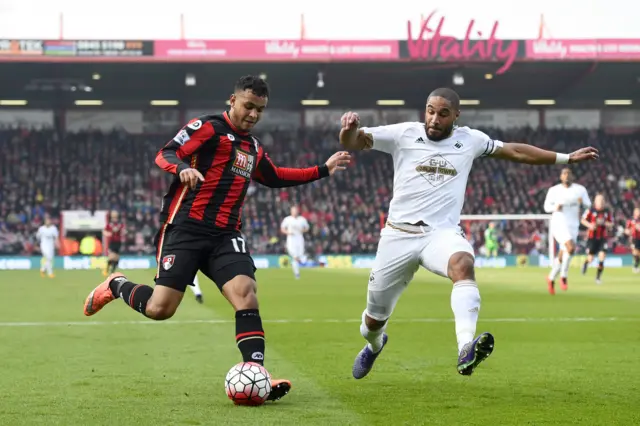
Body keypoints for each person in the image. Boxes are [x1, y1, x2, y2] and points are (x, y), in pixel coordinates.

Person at [83, 75, 351, 402]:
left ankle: (256, 373)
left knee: (245, 293)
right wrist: (181, 168)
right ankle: (116, 285)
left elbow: (276, 176)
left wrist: (322, 169)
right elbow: (166, 153)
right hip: (185, 229)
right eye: (248, 106)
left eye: (260, 110)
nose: (253, 114)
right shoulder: (208, 128)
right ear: (233, 100)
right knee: (160, 308)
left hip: (225, 235)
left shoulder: (252, 147)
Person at [338, 87, 598, 379]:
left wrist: (566, 159)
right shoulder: (404, 134)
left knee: (463, 264)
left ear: (456, 116)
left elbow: (514, 151)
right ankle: (374, 346)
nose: (434, 119)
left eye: (443, 113)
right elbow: (355, 141)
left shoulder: (470, 140)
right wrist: (349, 129)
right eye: (430, 111)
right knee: (373, 321)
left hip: (441, 234)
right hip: (398, 235)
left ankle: (465, 348)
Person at [544, 168, 591, 294]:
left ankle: (551, 278)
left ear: (573, 176)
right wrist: (555, 207)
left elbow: (588, 205)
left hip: (573, 225)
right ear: (560, 177)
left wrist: (582, 204)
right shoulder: (554, 190)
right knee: (570, 248)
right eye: (564, 173)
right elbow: (546, 207)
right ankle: (564, 276)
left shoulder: (580, 190)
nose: (567, 176)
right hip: (558, 224)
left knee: (563, 252)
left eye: (569, 173)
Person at [580, 194, 613, 284]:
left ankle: (598, 278)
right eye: (599, 200)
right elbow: (582, 220)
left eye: (602, 200)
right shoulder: (590, 210)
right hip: (592, 237)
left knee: (602, 257)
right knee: (590, 258)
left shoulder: (607, 212)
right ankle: (586, 263)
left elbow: (611, 223)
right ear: (595, 202)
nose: (601, 202)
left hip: (602, 238)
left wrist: (606, 224)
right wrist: (590, 225)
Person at [280, 205, 310, 279]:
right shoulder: (287, 219)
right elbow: (282, 228)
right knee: (295, 256)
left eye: (295, 210)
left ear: (298, 211)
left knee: (299, 256)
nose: (294, 212)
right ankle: (297, 274)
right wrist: (288, 232)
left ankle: (300, 268)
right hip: (291, 240)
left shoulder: (302, 219)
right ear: (291, 211)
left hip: (299, 239)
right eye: (293, 211)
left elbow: (307, 228)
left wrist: (303, 230)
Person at [103, 211, 125, 276]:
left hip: (118, 242)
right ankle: (106, 269)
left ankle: (112, 272)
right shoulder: (109, 224)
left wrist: (123, 232)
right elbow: (104, 231)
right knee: (112, 256)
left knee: (117, 258)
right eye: (113, 216)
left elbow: (123, 231)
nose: (114, 217)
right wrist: (108, 234)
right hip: (112, 242)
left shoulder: (120, 224)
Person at [625, 207, 640, 273]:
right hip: (634, 238)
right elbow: (626, 229)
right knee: (635, 252)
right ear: (634, 212)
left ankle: (636, 266)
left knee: (638, 254)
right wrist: (628, 231)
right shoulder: (630, 220)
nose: (638, 213)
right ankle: (635, 266)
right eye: (637, 211)